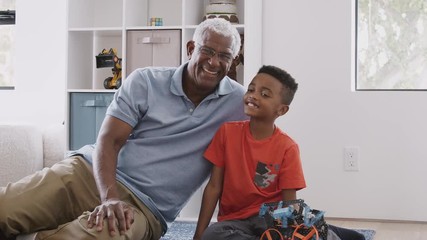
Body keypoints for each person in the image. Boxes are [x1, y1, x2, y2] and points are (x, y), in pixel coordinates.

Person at [0, 18, 247, 240]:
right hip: (87, 174)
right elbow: (109, 140)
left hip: (144, 207)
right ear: (191, 49)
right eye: (207, 51)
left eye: (224, 56)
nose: (214, 62)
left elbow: (269, 136)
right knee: (6, 208)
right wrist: (110, 197)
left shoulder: (239, 103)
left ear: (233, 61)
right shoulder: (145, 81)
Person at [193, 65, 365, 240]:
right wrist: (199, 234)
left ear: (281, 110)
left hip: (273, 218)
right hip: (235, 221)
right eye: (251, 89)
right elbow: (214, 187)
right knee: (212, 235)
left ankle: (326, 231)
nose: (253, 95)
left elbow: (290, 203)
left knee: (302, 235)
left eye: (264, 94)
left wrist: (296, 232)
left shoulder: (287, 147)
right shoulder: (226, 133)